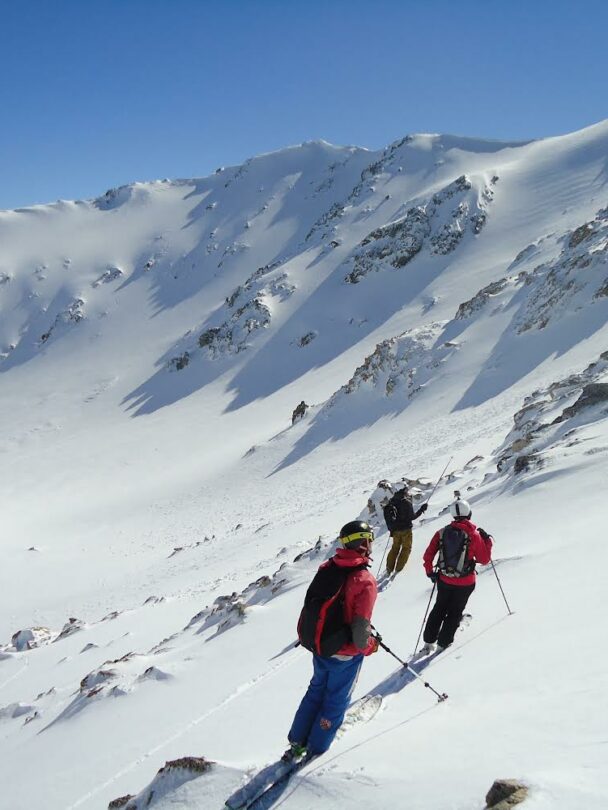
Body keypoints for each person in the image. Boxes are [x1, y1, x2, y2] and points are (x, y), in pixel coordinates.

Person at [285, 520, 378, 760]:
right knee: (336, 700)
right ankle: (318, 747)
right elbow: (360, 634)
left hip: (320, 646)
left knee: (316, 691)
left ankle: (297, 740)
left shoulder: (328, 567)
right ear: (364, 543)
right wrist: (370, 646)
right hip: (345, 653)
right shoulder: (364, 580)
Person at [420, 498, 492, 654]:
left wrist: (430, 572)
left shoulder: (442, 532)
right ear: (469, 514)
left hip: (444, 579)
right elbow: (484, 559)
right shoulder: (473, 534)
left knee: (439, 608)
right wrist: (487, 541)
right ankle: (443, 643)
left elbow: (428, 555)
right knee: (455, 611)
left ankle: (428, 641)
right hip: (466, 582)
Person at [382, 485, 428, 576]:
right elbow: (412, 517)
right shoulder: (406, 502)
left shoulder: (392, 502)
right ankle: (398, 569)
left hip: (395, 531)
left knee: (395, 548)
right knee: (406, 548)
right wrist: (422, 509)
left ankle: (389, 568)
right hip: (406, 530)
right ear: (403, 492)